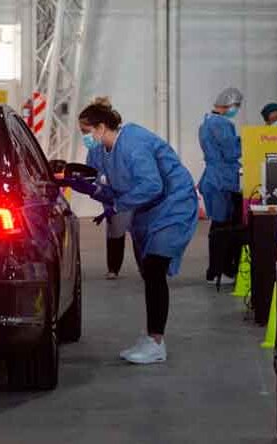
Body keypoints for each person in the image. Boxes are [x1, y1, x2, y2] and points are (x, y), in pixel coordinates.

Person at [65, 97, 198, 365]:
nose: (85, 138)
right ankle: (151, 336)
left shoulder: (134, 143)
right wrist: (89, 188)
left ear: (102, 127)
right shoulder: (99, 151)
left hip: (173, 204)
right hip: (147, 211)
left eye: (86, 132)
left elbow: (152, 186)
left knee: (155, 267)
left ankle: (156, 342)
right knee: (148, 270)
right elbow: (105, 182)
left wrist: (117, 204)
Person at [198, 87, 244, 287]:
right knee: (223, 228)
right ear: (231, 105)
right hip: (221, 179)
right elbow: (231, 152)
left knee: (219, 226)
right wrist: (246, 141)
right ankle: (218, 271)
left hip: (215, 178)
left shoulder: (207, 123)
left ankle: (216, 270)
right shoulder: (221, 125)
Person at [85, 105, 134, 280]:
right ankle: (113, 268)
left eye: (87, 130)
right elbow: (90, 171)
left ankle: (146, 267)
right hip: (111, 195)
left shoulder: (126, 145)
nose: (86, 136)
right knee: (115, 231)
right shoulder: (95, 148)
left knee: (139, 233)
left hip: (130, 194)